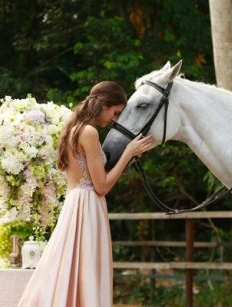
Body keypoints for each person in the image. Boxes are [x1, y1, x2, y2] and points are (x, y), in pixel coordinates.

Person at [18, 81, 155, 307]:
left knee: (71, 267)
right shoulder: (89, 132)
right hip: (88, 206)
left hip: (76, 203)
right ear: (103, 104)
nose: (114, 119)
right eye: (115, 112)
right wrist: (128, 153)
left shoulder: (74, 128)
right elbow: (101, 186)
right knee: (87, 268)